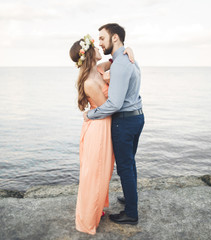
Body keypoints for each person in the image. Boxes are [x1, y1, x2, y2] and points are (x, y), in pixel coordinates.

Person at [69, 34, 134, 235]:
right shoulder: (89, 81)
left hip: (104, 126)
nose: (99, 47)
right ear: (89, 54)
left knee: (102, 173)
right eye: (94, 47)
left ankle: (96, 210)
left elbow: (114, 61)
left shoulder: (98, 69)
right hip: (99, 129)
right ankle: (87, 219)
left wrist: (128, 51)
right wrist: (111, 83)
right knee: (94, 174)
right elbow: (108, 107)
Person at [84, 23, 144, 225]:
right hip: (138, 117)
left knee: (125, 167)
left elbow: (115, 104)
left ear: (115, 38)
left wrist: (91, 114)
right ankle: (130, 197)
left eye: (102, 38)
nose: (99, 42)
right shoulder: (128, 59)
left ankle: (131, 213)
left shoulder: (120, 64)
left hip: (125, 121)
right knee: (131, 163)